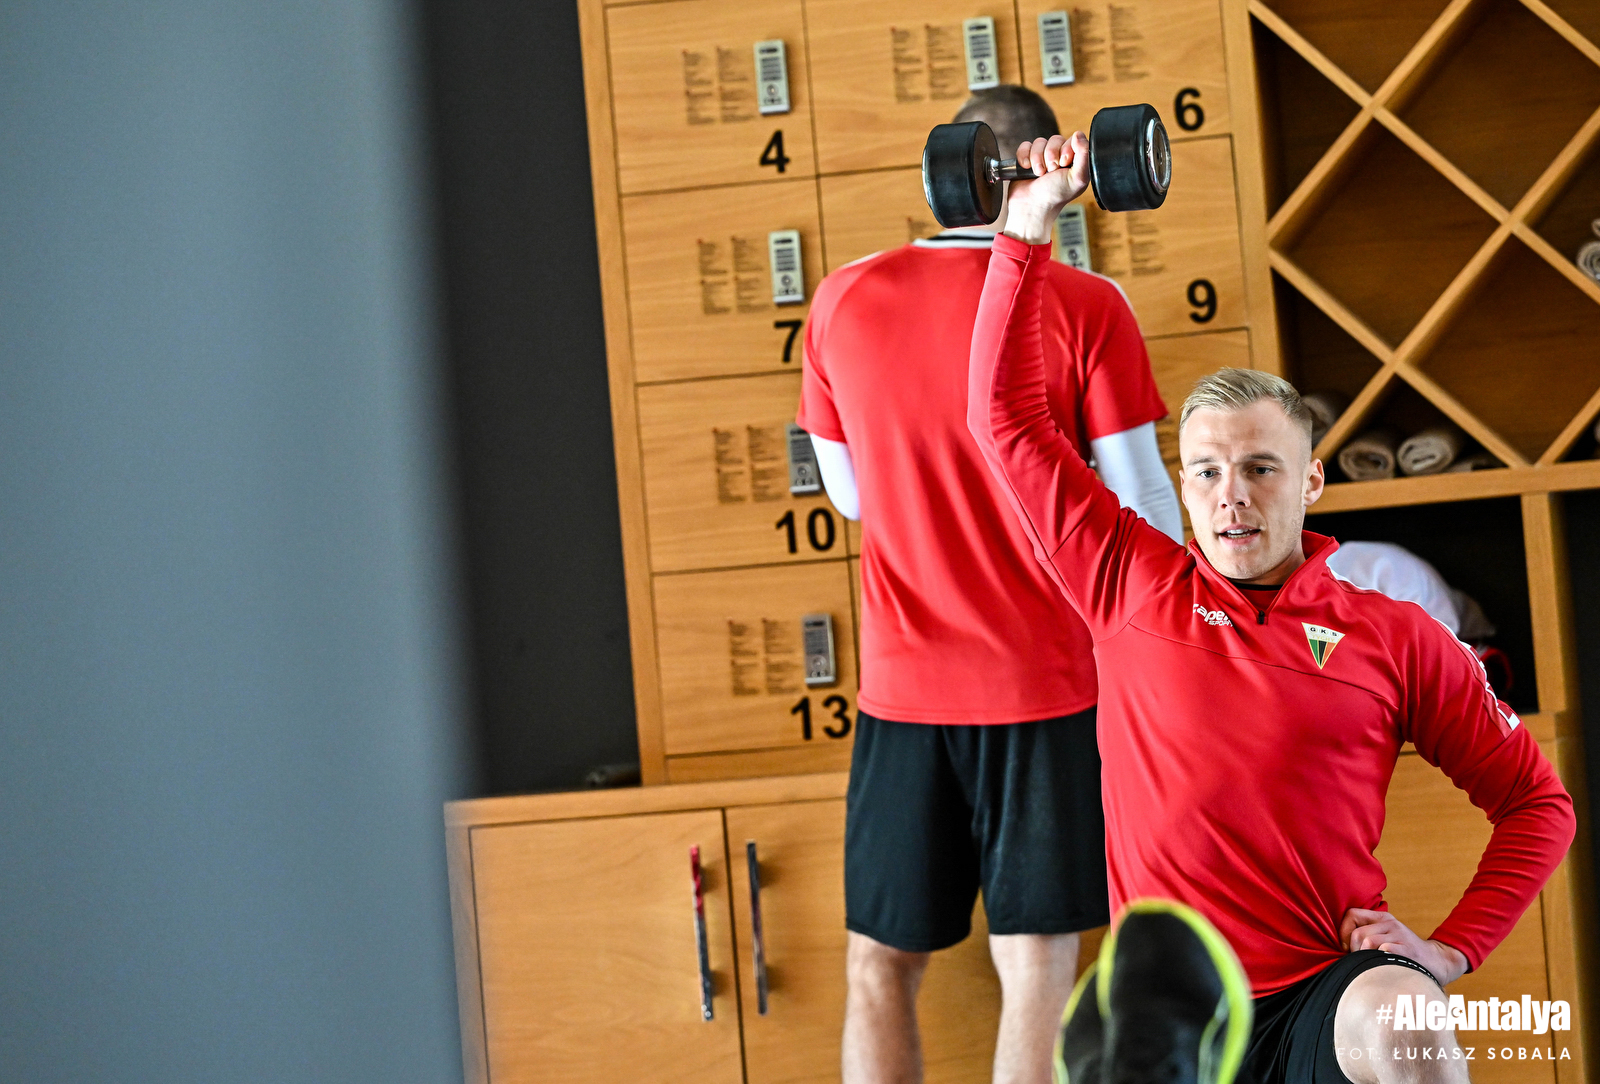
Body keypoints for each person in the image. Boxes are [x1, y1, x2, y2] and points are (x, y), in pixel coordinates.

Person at [965, 130, 1576, 1084]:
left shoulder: (1397, 637)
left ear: (1312, 481)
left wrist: (1450, 952)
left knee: (1405, 1013)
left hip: (1319, 995)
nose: (1232, 497)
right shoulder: (1127, 581)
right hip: (1170, 1014)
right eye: (1207, 472)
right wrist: (1026, 227)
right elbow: (1003, 421)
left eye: (1260, 469)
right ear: (1184, 484)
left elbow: (1538, 804)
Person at [796, 86, 1183, 1084]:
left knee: (878, 965)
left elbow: (849, 498)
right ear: (1042, 163)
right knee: (1036, 967)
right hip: (1048, 687)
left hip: (903, 691)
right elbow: (1142, 503)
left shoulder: (841, 298)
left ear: (952, 167)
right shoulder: (1088, 304)